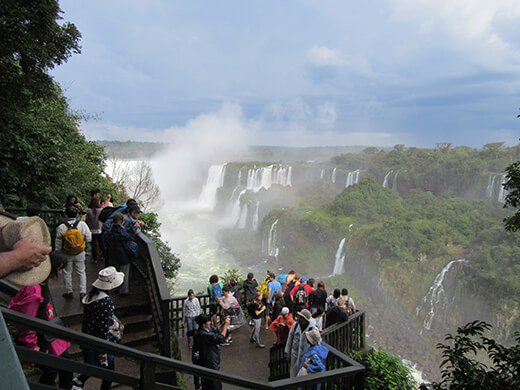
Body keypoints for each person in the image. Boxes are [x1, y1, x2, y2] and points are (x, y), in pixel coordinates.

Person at [8, 252, 72, 389]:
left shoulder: (41, 283)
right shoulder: (34, 289)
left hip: (44, 331)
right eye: (59, 269)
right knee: (51, 370)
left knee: (65, 364)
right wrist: (32, 345)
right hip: (38, 337)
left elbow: (40, 304)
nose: (60, 273)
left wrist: (47, 308)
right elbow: (27, 319)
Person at [72, 267, 124, 390]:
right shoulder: (105, 301)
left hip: (88, 339)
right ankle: (76, 383)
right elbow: (103, 326)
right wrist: (103, 350)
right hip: (100, 342)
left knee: (92, 367)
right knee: (109, 374)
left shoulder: (92, 296)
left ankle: (77, 383)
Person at [56, 207, 91, 300]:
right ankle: (82, 292)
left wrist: (58, 252)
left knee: (67, 272)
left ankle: (69, 291)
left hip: (67, 252)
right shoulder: (82, 225)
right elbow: (89, 238)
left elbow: (58, 242)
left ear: (66, 215)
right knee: (81, 272)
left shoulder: (62, 227)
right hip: (80, 252)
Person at [195, 313, 231, 390]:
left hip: (208, 361)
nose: (210, 322)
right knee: (214, 384)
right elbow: (220, 338)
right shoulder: (204, 335)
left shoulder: (203, 331)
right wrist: (226, 326)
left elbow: (215, 329)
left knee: (209, 382)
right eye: (208, 321)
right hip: (210, 362)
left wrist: (224, 323)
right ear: (204, 324)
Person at [107, 212, 140, 296]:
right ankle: (124, 291)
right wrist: (135, 228)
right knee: (124, 272)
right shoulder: (118, 231)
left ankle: (117, 287)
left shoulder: (113, 228)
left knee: (117, 271)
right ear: (122, 221)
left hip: (114, 253)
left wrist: (133, 226)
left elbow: (125, 231)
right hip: (122, 254)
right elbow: (129, 237)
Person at [284, 309, 316, 377]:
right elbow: (290, 339)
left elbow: (317, 343)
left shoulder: (312, 329)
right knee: (293, 373)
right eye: (299, 317)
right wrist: (288, 354)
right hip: (294, 354)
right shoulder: (295, 326)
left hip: (306, 357)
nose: (299, 319)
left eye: (302, 318)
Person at [86, 197, 104, 263]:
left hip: (91, 228)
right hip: (99, 228)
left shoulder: (88, 210)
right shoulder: (100, 210)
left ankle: (95, 259)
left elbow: (87, 219)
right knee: (101, 243)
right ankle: (104, 257)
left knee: (93, 244)